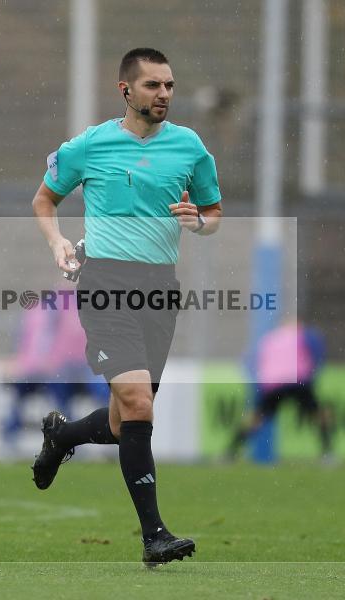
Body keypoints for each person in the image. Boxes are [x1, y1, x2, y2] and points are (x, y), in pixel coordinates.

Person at [30, 48, 223, 566]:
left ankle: (62, 436)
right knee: (140, 405)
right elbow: (44, 200)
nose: (164, 94)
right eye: (153, 85)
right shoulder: (91, 144)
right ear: (126, 90)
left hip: (160, 289)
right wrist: (57, 242)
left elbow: (214, 214)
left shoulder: (189, 147)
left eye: (170, 86)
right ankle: (154, 535)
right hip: (105, 282)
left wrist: (197, 222)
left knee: (124, 422)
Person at [0, 291, 109, 441]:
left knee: (102, 392)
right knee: (34, 392)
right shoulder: (44, 315)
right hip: (54, 371)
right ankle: (12, 434)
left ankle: (98, 434)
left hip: (79, 368)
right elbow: (33, 348)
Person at [227, 319, 334, 463]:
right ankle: (327, 454)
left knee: (256, 417)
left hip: (273, 384)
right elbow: (318, 355)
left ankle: (230, 453)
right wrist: (312, 376)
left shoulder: (270, 338)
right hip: (298, 381)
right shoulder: (304, 335)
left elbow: (252, 361)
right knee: (319, 414)